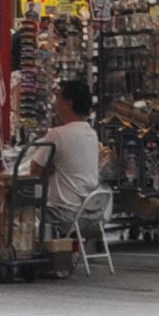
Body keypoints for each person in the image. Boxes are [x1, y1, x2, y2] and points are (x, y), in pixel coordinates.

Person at [26, 78, 108, 263]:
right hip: (91, 212)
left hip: (63, 214)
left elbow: (34, 172)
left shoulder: (57, 134)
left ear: (68, 103)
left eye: (58, 99)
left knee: (18, 210)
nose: (55, 104)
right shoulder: (91, 134)